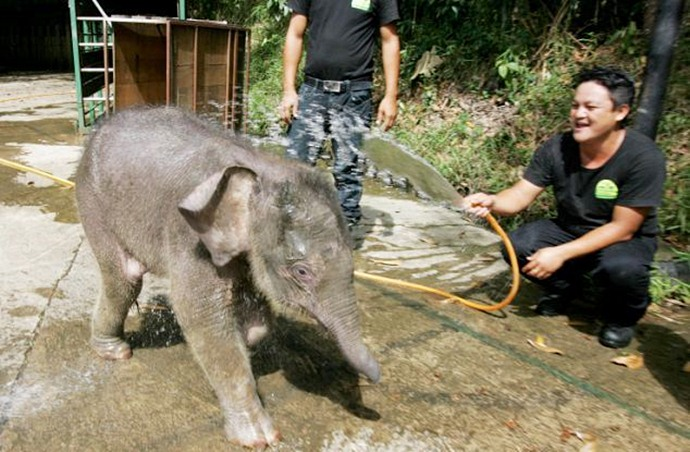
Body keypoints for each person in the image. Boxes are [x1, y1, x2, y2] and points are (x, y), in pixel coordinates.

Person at [460, 66, 666, 349]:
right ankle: (564, 287)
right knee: (517, 245)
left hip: (622, 239)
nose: (579, 115)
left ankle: (622, 317)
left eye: (590, 107)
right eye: (575, 105)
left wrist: (560, 253)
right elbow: (520, 196)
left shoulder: (643, 157)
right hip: (570, 228)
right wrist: (493, 201)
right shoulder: (557, 148)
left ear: (620, 112)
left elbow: (623, 228)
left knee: (623, 269)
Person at [280, 0, 400, 228]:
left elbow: (390, 39)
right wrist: (289, 90)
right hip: (312, 92)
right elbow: (295, 34)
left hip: (355, 95)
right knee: (295, 167)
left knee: (348, 170)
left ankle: (344, 241)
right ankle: (289, 234)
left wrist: (390, 96)